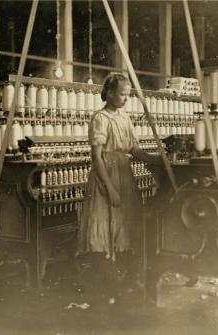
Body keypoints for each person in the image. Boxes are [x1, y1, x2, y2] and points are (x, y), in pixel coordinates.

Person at [76, 73, 161, 303]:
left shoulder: (125, 118)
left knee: (124, 226)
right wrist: (110, 187)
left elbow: (134, 149)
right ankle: (107, 286)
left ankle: (123, 284)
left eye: (128, 94)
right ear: (111, 93)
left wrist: (157, 159)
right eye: (122, 94)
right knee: (103, 226)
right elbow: (96, 156)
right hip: (106, 175)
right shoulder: (100, 118)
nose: (126, 99)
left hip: (124, 174)